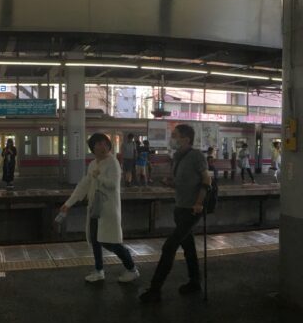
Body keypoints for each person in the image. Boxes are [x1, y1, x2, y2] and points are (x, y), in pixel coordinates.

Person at [140, 124, 210, 303]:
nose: (172, 138)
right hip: (180, 208)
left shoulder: (196, 156)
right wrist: (169, 182)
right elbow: (183, 182)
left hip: (192, 210)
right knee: (189, 248)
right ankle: (195, 282)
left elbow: (206, 180)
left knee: (169, 247)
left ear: (186, 139)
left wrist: (199, 203)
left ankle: (155, 289)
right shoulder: (178, 157)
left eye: (175, 135)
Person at [61, 133, 139, 284]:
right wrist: (68, 203)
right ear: (93, 148)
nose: (102, 147)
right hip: (95, 209)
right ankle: (99, 270)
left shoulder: (113, 162)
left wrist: (99, 177)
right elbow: (83, 185)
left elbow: (113, 184)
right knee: (95, 240)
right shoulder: (93, 164)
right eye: (98, 144)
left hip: (108, 209)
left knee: (111, 242)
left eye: (105, 143)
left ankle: (132, 269)